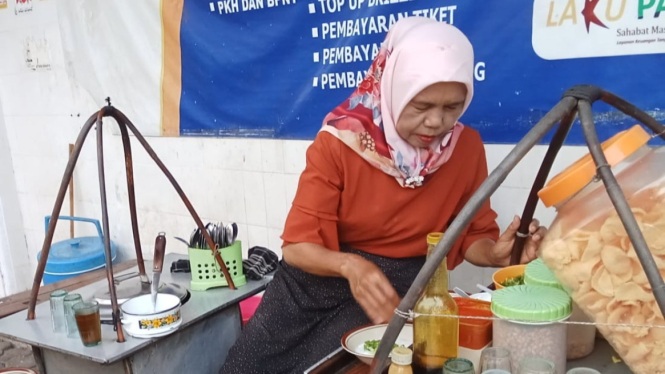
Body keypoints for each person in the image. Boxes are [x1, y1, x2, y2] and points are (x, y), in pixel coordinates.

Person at [221, 17, 547, 374]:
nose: (436, 122)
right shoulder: (340, 143)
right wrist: (351, 265)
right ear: (392, 89)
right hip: (312, 286)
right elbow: (297, 247)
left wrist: (496, 254)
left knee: (341, 367)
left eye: (452, 107)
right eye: (421, 106)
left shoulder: (464, 149)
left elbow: (469, 237)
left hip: (394, 292)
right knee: (245, 366)